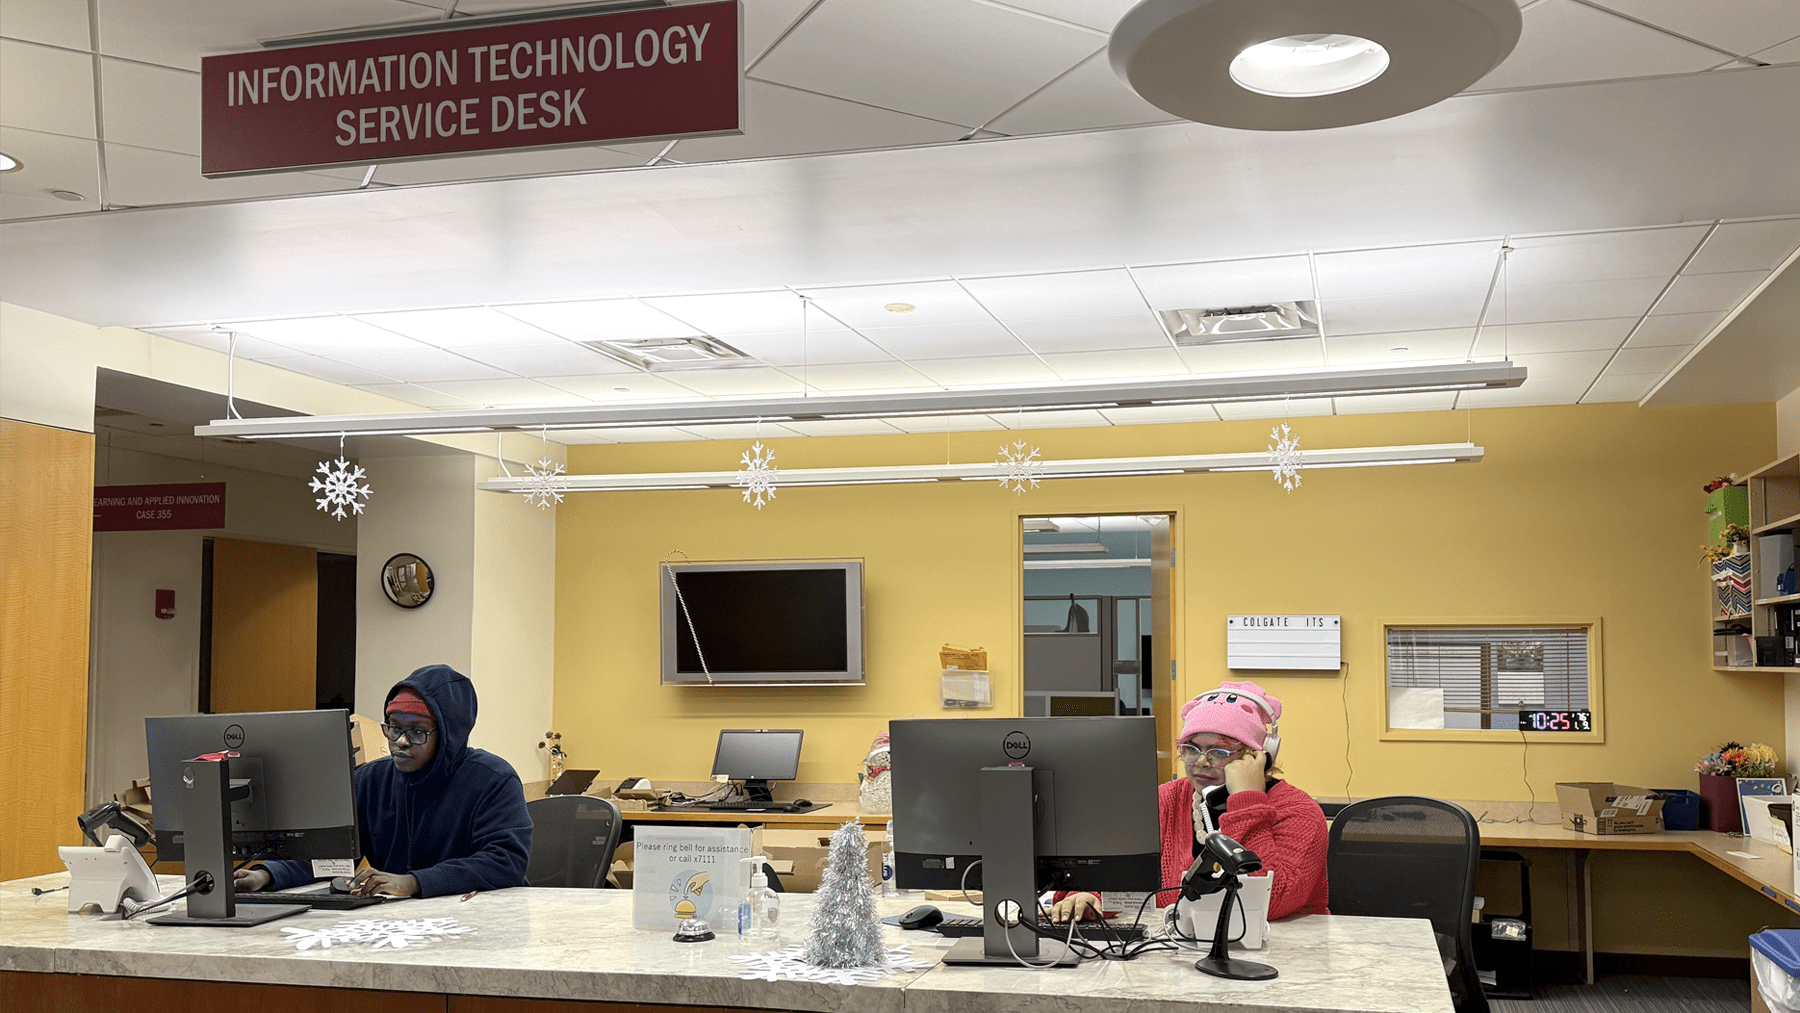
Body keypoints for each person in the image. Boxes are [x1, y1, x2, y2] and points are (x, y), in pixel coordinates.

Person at [237, 664, 533, 898]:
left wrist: (413, 882)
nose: (400, 741)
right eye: (393, 727)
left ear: (449, 736)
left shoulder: (493, 780)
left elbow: (505, 862)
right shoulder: (369, 781)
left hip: (478, 919)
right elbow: (332, 856)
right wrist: (268, 875)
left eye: (417, 731)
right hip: (398, 924)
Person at [1052, 680, 1329, 922]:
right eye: (1191, 749)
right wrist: (1089, 895)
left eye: (1219, 751)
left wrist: (1247, 802)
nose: (1200, 762)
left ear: (1258, 757)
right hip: (1175, 948)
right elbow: (1115, 869)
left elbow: (1269, 902)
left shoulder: (1300, 812)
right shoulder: (1167, 799)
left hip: (1283, 953)